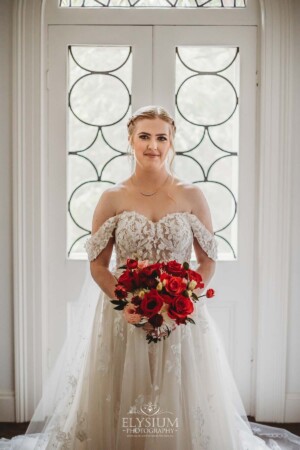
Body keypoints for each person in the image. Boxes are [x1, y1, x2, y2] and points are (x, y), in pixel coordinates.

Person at [1, 105, 300, 449]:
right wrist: (128, 303)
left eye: (161, 137)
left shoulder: (192, 195)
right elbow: (98, 265)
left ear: (172, 142)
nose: (153, 145)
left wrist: (181, 303)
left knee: (180, 393)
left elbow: (207, 261)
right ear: (130, 140)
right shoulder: (112, 197)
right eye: (144, 136)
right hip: (121, 316)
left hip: (181, 317)